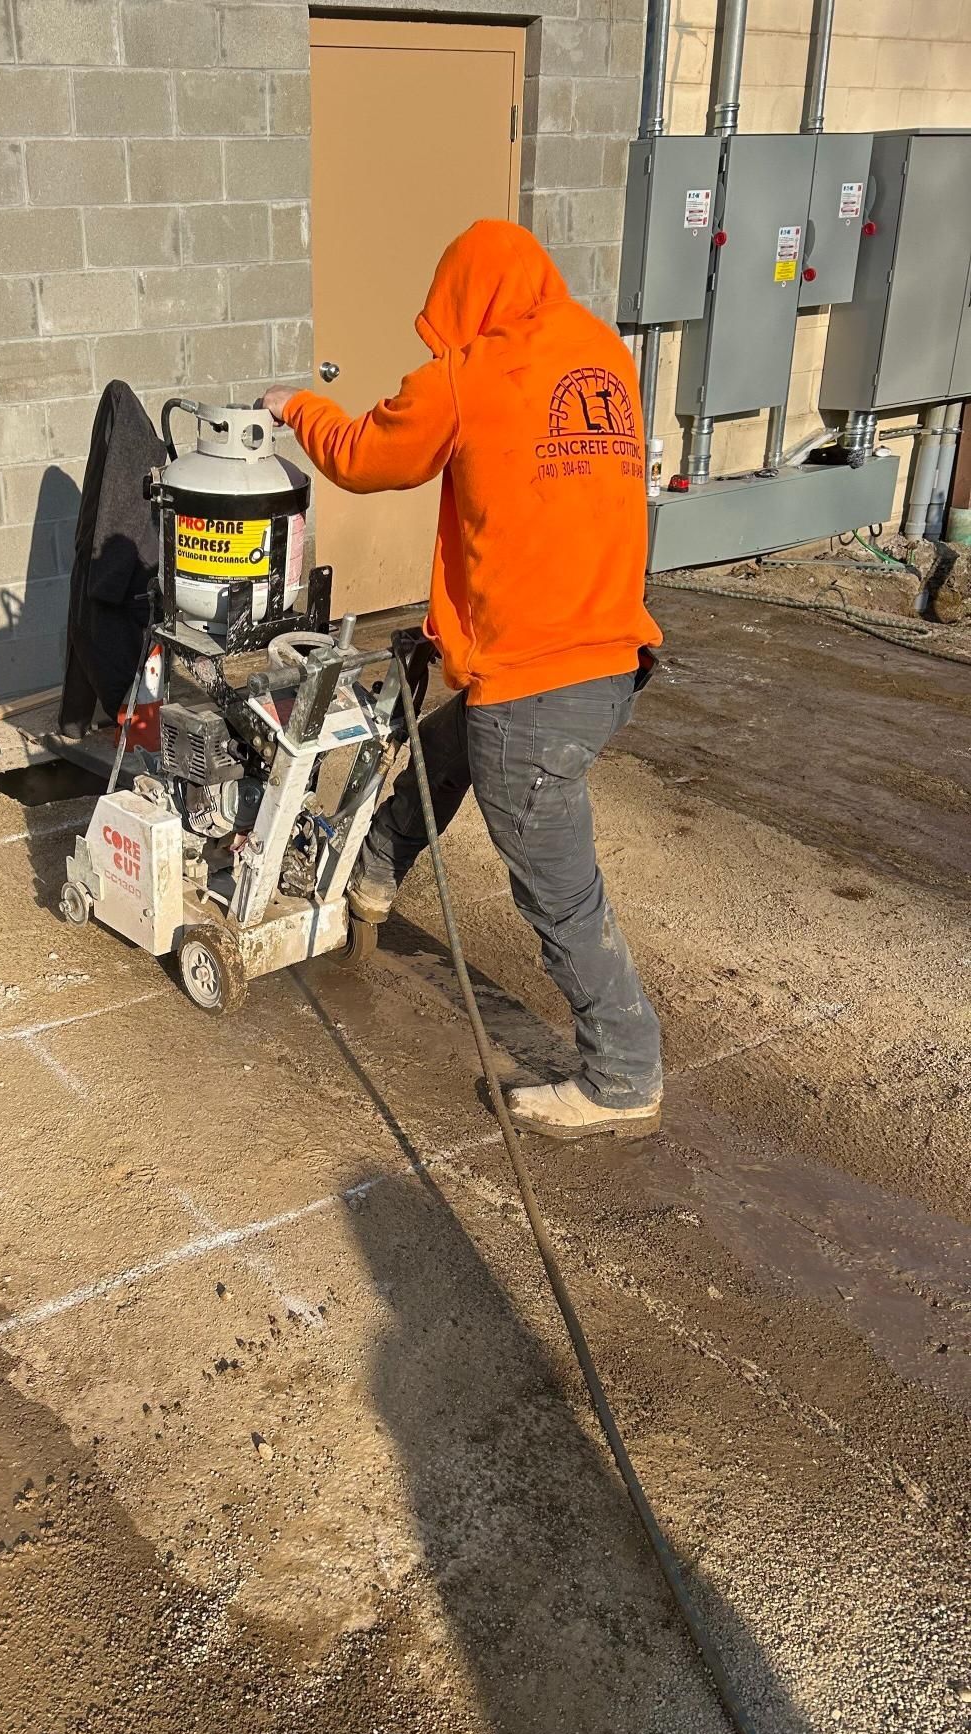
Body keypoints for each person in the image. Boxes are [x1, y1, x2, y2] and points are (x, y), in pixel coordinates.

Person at [262, 219, 664, 1143]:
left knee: (557, 886)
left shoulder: (472, 372)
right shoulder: (600, 355)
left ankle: (622, 1073)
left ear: (464, 299)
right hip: (609, 657)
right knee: (451, 750)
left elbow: (371, 456)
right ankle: (370, 875)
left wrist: (296, 408)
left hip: (538, 671)